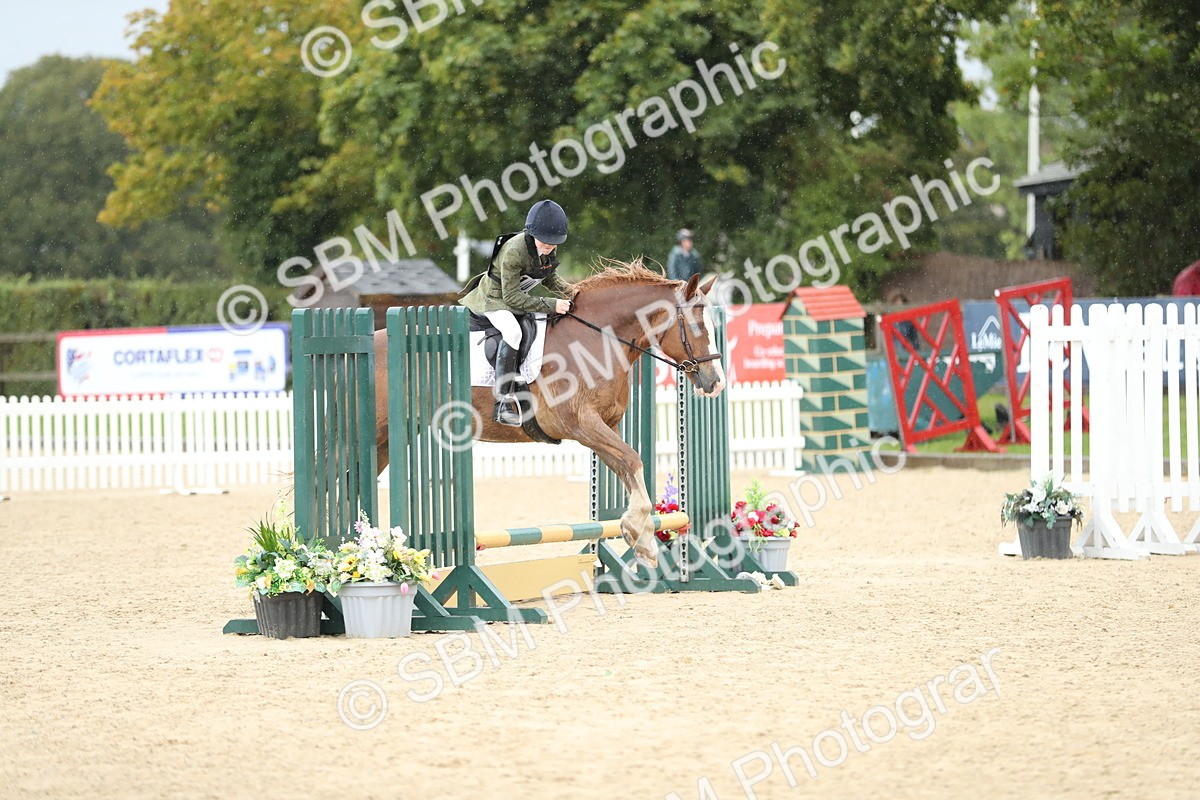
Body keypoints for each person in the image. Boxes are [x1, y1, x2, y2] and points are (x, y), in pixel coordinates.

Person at [459, 199, 573, 426]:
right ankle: (502, 403)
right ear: (532, 234)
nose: (549, 246)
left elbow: (549, 277)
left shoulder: (547, 244)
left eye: (553, 242)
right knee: (512, 332)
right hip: (493, 300)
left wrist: (575, 292)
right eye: (545, 241)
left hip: (513, 298)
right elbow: (511, 298)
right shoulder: (514, 251)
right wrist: (552, 304)